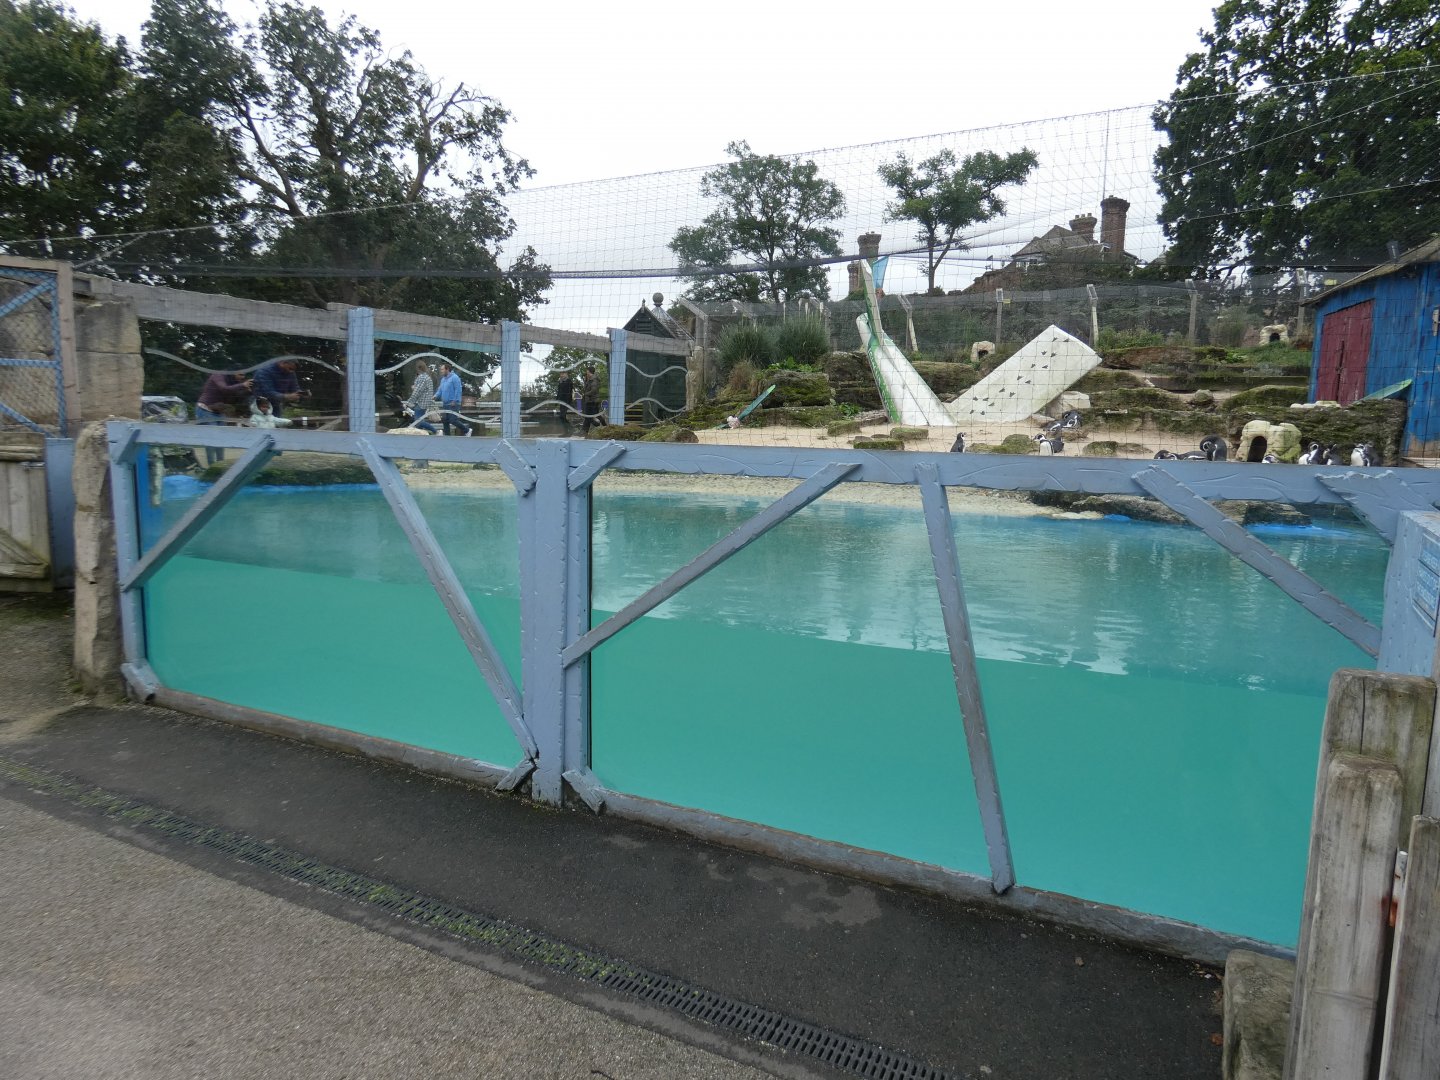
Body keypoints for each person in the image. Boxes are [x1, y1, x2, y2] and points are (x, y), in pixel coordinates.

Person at [195, 370, 253, 465]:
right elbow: (224, 388)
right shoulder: (218, 375)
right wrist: (242, 385)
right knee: (211, 438)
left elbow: (234, 399)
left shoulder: (235, 383)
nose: (242, 377)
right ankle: (211, 466)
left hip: (218, 411)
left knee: (221, 439)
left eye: (244, 375)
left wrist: (248, 391)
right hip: (205, 409)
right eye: (240, 374)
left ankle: (220, 465)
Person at [437, 361, 473, 436]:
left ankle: (467, 430)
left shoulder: (455, 378)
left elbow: (458, 390)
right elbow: (440, 390)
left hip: (453, 403)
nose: (441, 371)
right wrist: (435, 396)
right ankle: (447, 436)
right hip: (445, 403)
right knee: (445, 420)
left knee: (453, 420)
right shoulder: (443, 379)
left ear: (447, 369)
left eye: (442, 369)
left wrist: (455, 400)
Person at [405, 362, 439, 434]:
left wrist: (409, 402)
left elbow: (417, 391)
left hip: (421, 403)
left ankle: (436, 431)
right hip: (425, 402)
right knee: (419, 423)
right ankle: (421, 436)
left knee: (418, 421)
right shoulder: (427, 377)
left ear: (418, 368)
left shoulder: (422, 377)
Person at [580, 365, 602, 433]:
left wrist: (585, 394)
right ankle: (585, 430)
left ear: (589, 372)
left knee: (590, 416)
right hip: (590, 400)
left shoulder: (594, 380)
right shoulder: (589, 380)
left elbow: (594, 390)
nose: (586, 373)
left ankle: (600, 425)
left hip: (592, 401)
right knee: (589, 416)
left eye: (587, 371)